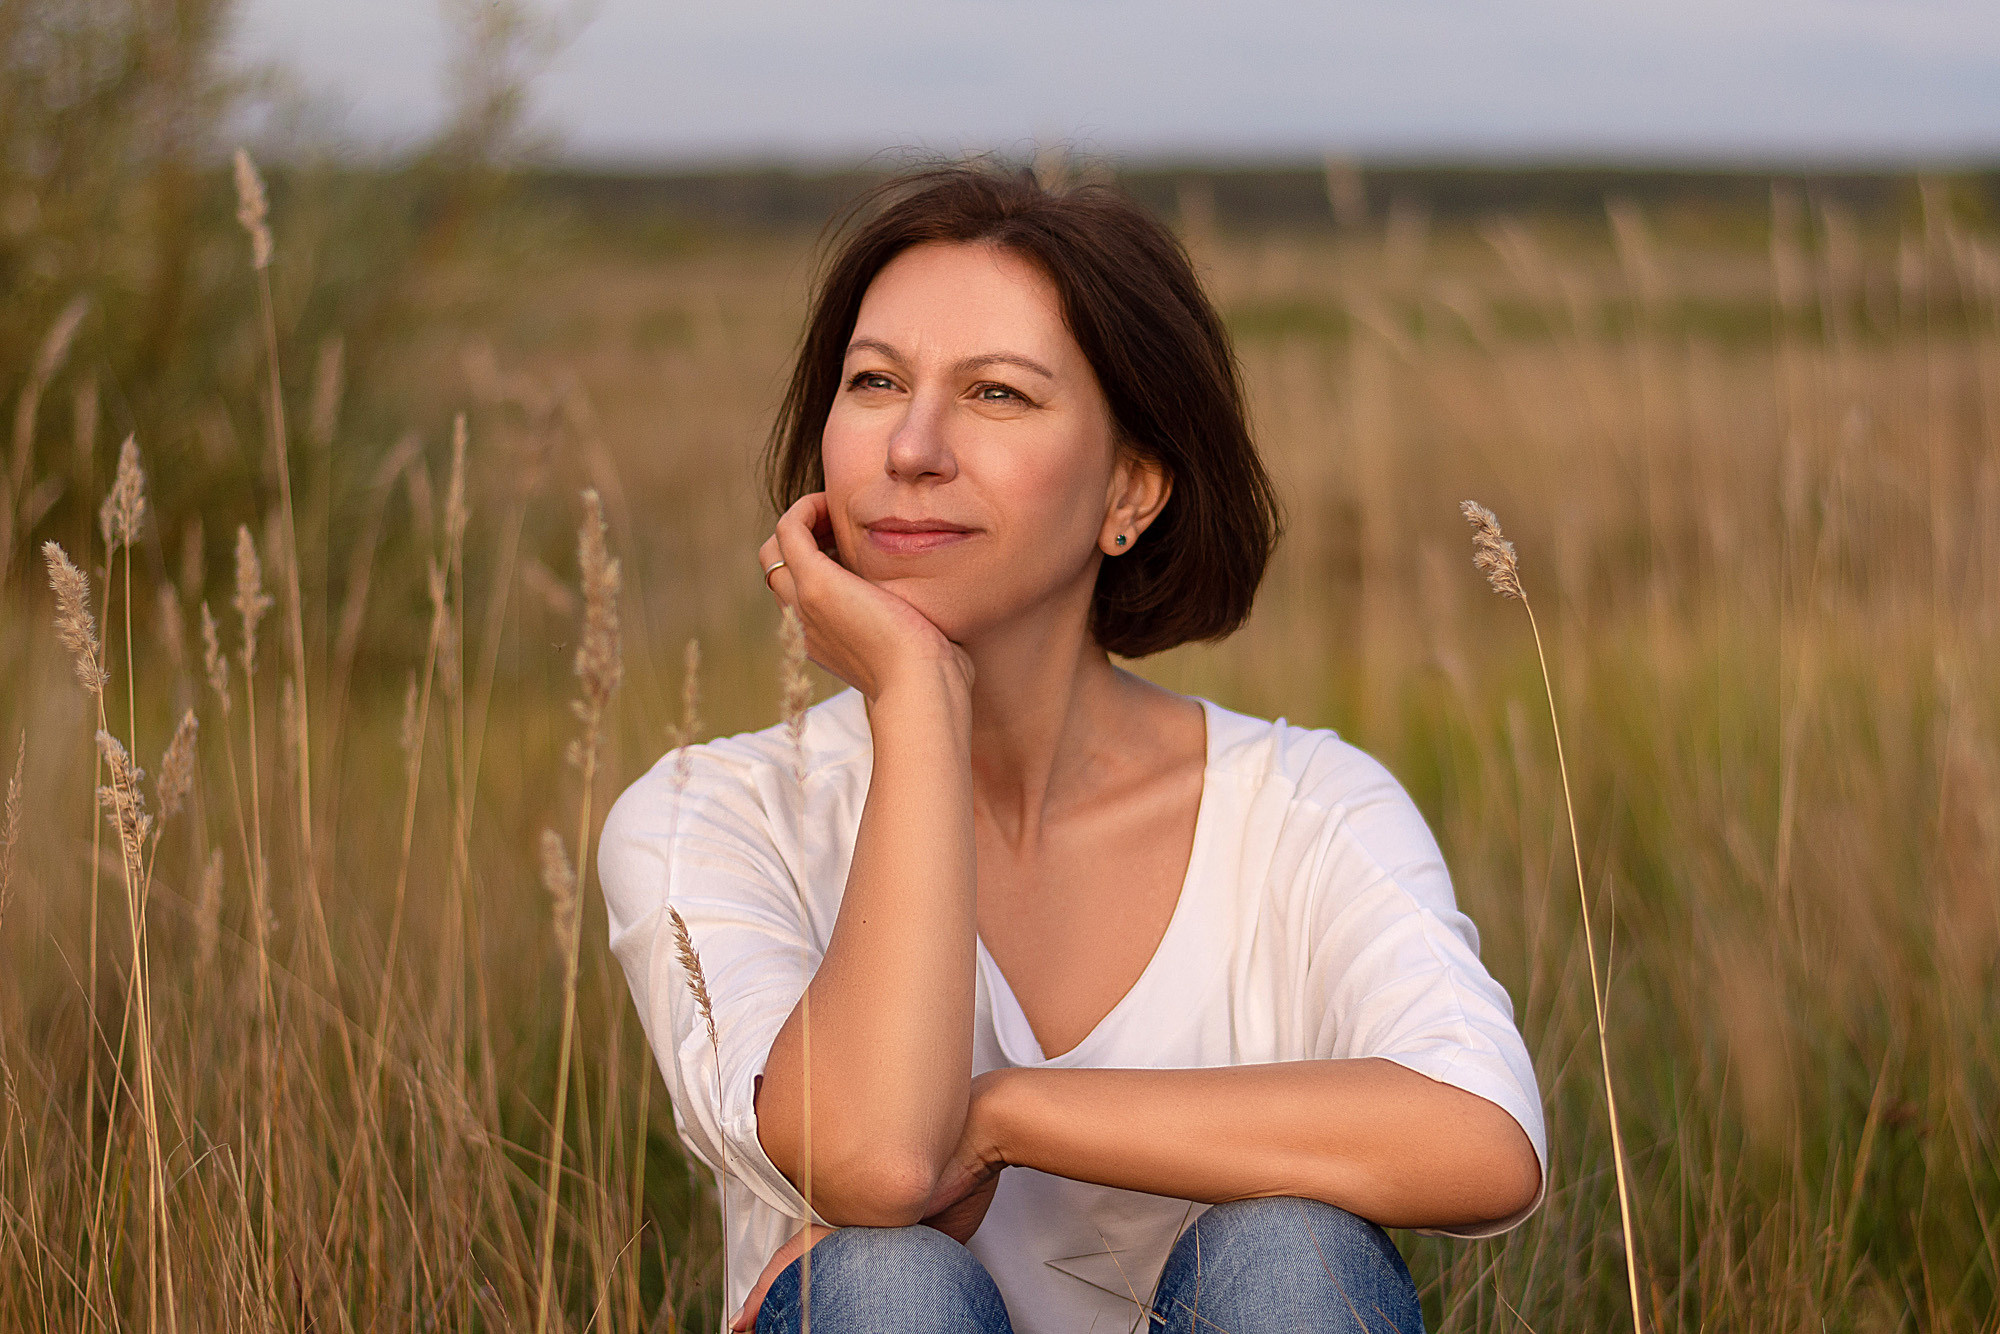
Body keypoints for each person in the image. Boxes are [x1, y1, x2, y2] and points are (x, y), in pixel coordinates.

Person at [599, 163, 1546, 1334]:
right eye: (874, 380)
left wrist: (1004, 1111)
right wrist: (915, 697)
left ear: (1130, 490)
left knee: (1289, 1255)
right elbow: (880, 1160)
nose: (911, 445)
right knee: (885, 1279)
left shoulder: (1304, 807)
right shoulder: (712, 814)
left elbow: (1480, 1134)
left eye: (996, 394)